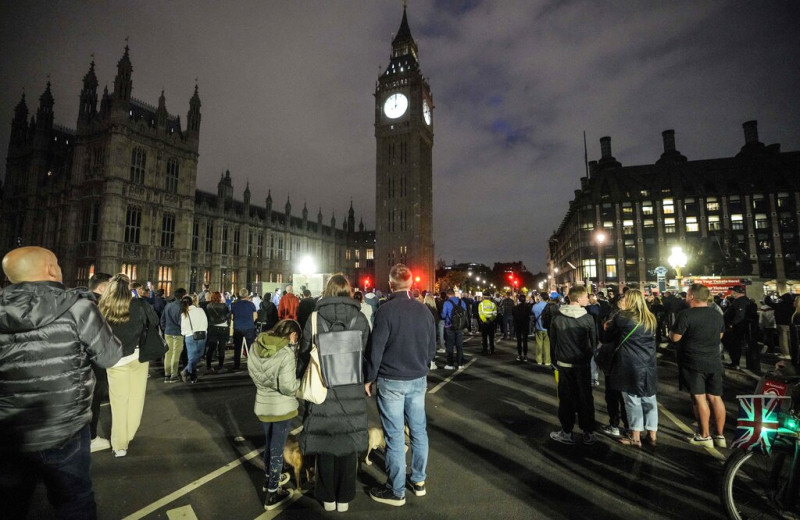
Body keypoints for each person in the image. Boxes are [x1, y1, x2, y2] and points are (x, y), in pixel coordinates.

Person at [0, 246, 122, 519]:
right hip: (64, 428)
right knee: (74, 501)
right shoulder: (78, 307)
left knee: (10, 504)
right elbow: (110, 356)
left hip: (9, 431)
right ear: (51, 270)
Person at [297, 274, 369, 513]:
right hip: (352, 386)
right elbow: (366, 353)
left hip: (322, 386)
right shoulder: (359, 318)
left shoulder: (315, 318)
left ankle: (327, 496)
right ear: (348, 291)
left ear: (327, 291)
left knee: (325, 444)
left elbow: (304, 352)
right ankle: (344, 497)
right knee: (348, 444)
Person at [365, 264, 436, 507]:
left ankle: (396, 491)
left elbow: (376, 349)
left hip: (392, 380)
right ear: (410, 283)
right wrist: (422, 365)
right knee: (418, 432)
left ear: (391, 283)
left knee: (395, 437)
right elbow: (431, 349)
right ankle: (418, 481)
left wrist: (369, 377)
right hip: (417, 379)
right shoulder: (424, 311)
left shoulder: (386, 311)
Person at [96, 273, 161, 457]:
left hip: (116, 359)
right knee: (136, 399)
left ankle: (120, 445)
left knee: (118, 403)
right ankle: (129, 434)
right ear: (129, 288)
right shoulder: (139, 304)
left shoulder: (103, 306)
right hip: (138, 356)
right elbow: (154, 321)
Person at [247, 320, 301, 511]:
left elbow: (252, 373)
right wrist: (300, 384)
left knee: (270, 445)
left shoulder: (256, 345)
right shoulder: (285, 353)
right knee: (277, 449)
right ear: (292, 334)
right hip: (281, 407)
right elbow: (288, 386)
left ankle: (269, 478)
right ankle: (272, 492)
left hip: (263, 404)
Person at [669, 283, 727, 448]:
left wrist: (670, 333)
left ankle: (704, 435)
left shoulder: (686, 315)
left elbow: (675, 338)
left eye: (688, 294)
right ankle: (720, 435)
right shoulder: (716, 315)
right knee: (716, 398)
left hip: (692, 361)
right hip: (714, 361)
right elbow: (720, 335)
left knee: (699, 399)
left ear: (692, 296)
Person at [602, 289, 659, 448]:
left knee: (632, 401)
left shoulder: (623, 317)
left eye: (626, 298)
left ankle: (635, 437)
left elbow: (606, 338)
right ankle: (652, 435)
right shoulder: (650, 318)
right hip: (648, 363)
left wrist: (607, 326)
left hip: (629, 364)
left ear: (631, 300)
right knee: (649, 399)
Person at [549, 285, 598, 445]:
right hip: (582, 364)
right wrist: (587, 355)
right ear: (578, 299)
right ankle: (588, 432)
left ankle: (567, 432)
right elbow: (594, 342)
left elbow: (553, 341)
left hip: (564, 364)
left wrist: (555, 360)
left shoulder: (557, 317)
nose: (588, 299)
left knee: (566, 399)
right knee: (585, 398)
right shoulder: (588, 318)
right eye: (585, 297)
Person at [88, 272, 113, 453]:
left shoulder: (81, 302)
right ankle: (90, 438)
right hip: (94, 363)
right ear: (103, 288)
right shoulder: (98, 306)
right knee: (94, 400)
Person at [160, 287, 187, 383]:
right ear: (183, 296)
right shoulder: (181, 306)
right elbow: (181, 322)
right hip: (177, 333)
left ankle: (167, 375)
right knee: (176, 354)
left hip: (168, 332)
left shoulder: (168, 305)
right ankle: (173, 375)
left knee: (168, 353)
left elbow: (162, 320)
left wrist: (165, 329)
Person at [180, 295, 208, 383]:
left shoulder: (184, 313)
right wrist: (204, 330)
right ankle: (191, 375)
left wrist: (186, 333)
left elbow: (183, 328)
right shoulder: (200, 310)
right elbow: (205, 321)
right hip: (202, 335)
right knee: (198, 355)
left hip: (189, 336)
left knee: (192, 357)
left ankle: (187, 372)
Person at [230, 288, 258, 371]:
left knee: (237, 347)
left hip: (238, 327)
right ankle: (251, 365)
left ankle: (236, 365)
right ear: (247, 295)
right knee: (250, 347)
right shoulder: (251, 304)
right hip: (249, 327)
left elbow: (232, 317)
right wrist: (250, 321)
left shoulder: (234, 304)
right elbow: (255, 316)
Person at [204, 291, 230, 373]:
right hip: (223, 328)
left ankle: (208, 366)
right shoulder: (224, 306)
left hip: (212, 328)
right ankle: (221, 366)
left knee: (211, 347)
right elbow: (227, 316)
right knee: (221, 347)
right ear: (219, 297)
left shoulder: (208, 306)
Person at [442, 288, 468, 369]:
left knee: (450, 345)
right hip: (460, 326)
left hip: (449, 326)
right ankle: (460, 364)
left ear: (448, 295)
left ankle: (450, 364)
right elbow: (465, 313)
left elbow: (443, 315)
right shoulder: (462, 302)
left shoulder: (447, 303)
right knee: (459, 345)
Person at [531, 293, 553, 367]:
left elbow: (533, 313)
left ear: (541, 297)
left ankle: (539, 360)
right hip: (548, 328)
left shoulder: (535, 306)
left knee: (539, 344)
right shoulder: (550, 306)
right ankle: (547, 360)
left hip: (538, 327)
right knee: (547, 345)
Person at [512, 294, 531, 361]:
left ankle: (519, 355)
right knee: (525, 341)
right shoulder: (528, 307)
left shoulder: (515, 307)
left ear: (519, 300)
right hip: (525, 325)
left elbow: (513, 315)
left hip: (518, 325)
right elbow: (530, 315)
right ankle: (525, 355)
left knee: (519, 341)